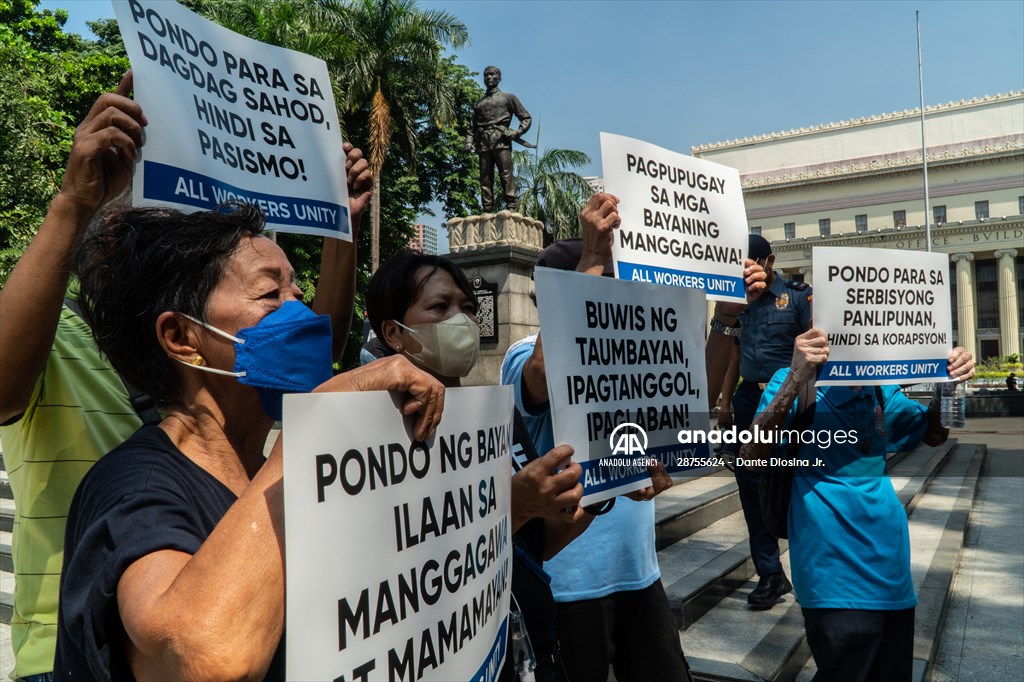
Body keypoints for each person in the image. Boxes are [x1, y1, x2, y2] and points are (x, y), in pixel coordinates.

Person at [0, 72, 371, 682]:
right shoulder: (51, 340)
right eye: (128, 208)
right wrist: (73, 201)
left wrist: (339, 227)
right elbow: (199, 650)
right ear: (177, 336)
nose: (145, 226)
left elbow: (304, 349)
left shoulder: (242, 410)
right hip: (75, 649)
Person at [52, 201, 443, 681]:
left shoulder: (269, 469)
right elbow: (207, 656)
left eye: (296, 289)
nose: (299, 311)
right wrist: (312, 430)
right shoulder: (133, 489)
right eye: (269, 295)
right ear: (182, 338)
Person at [502, 193, 721, 682]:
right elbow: (543, 372)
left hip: (637, 571)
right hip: (572, 584)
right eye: (602, 287)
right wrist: (594, 260)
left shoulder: (625, 351)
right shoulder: (521, 355)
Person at [364, 251, 594, 682]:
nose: (463, 319)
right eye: (439, 307)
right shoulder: (372, 437)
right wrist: (517, 505)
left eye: (469, 308)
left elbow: (534, 547)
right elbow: (407, 572)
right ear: (394, 333)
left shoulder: (495, 417)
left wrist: (605, 489)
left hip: (516, 649)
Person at [744, 329, 975, 681]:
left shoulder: (880, 388)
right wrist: (796, 377)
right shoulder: (797, 382)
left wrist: (949, 382)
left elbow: (933, 432)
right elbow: (750, 454)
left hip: (891, 575)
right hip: (832, 574)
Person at [715, 234, 812, 609]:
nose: (744, 269)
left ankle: (809, 568)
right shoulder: (736, 300)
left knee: (794, 482)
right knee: (751, 488)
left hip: (788, 403)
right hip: (748, 400)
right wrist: (726, 401)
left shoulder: (799, 297)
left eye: (751, 261)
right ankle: (770, 574)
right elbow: (734, 353)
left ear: (769, 260)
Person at [470, 65, 532, 212]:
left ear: (499, 78)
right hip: (483, 142)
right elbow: (471, 127)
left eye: (492, 74)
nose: (489, 77)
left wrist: (516, 133)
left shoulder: (508, 98)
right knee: (485, 177)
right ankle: (487, 207)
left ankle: (511, 205)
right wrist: (468, 142)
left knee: (506, 174)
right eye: (486, 75)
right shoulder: (478, 104)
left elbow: (526, 117)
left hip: (501, 141)